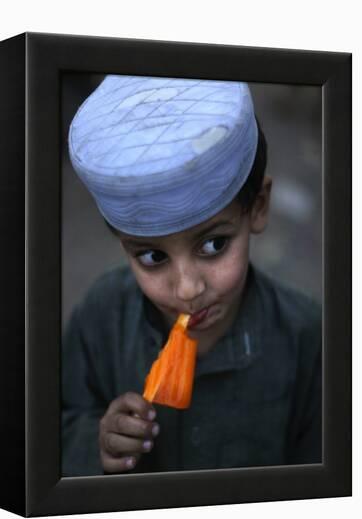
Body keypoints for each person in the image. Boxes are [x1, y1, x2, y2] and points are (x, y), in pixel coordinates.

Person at [62, 75, 322, 476]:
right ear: (123, 247)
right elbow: (49, 424)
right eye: (152, 256)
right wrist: (97, 441)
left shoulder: (307, 336)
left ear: (258, 208)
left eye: (214, 245)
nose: (187, 289)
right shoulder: (101, 316)